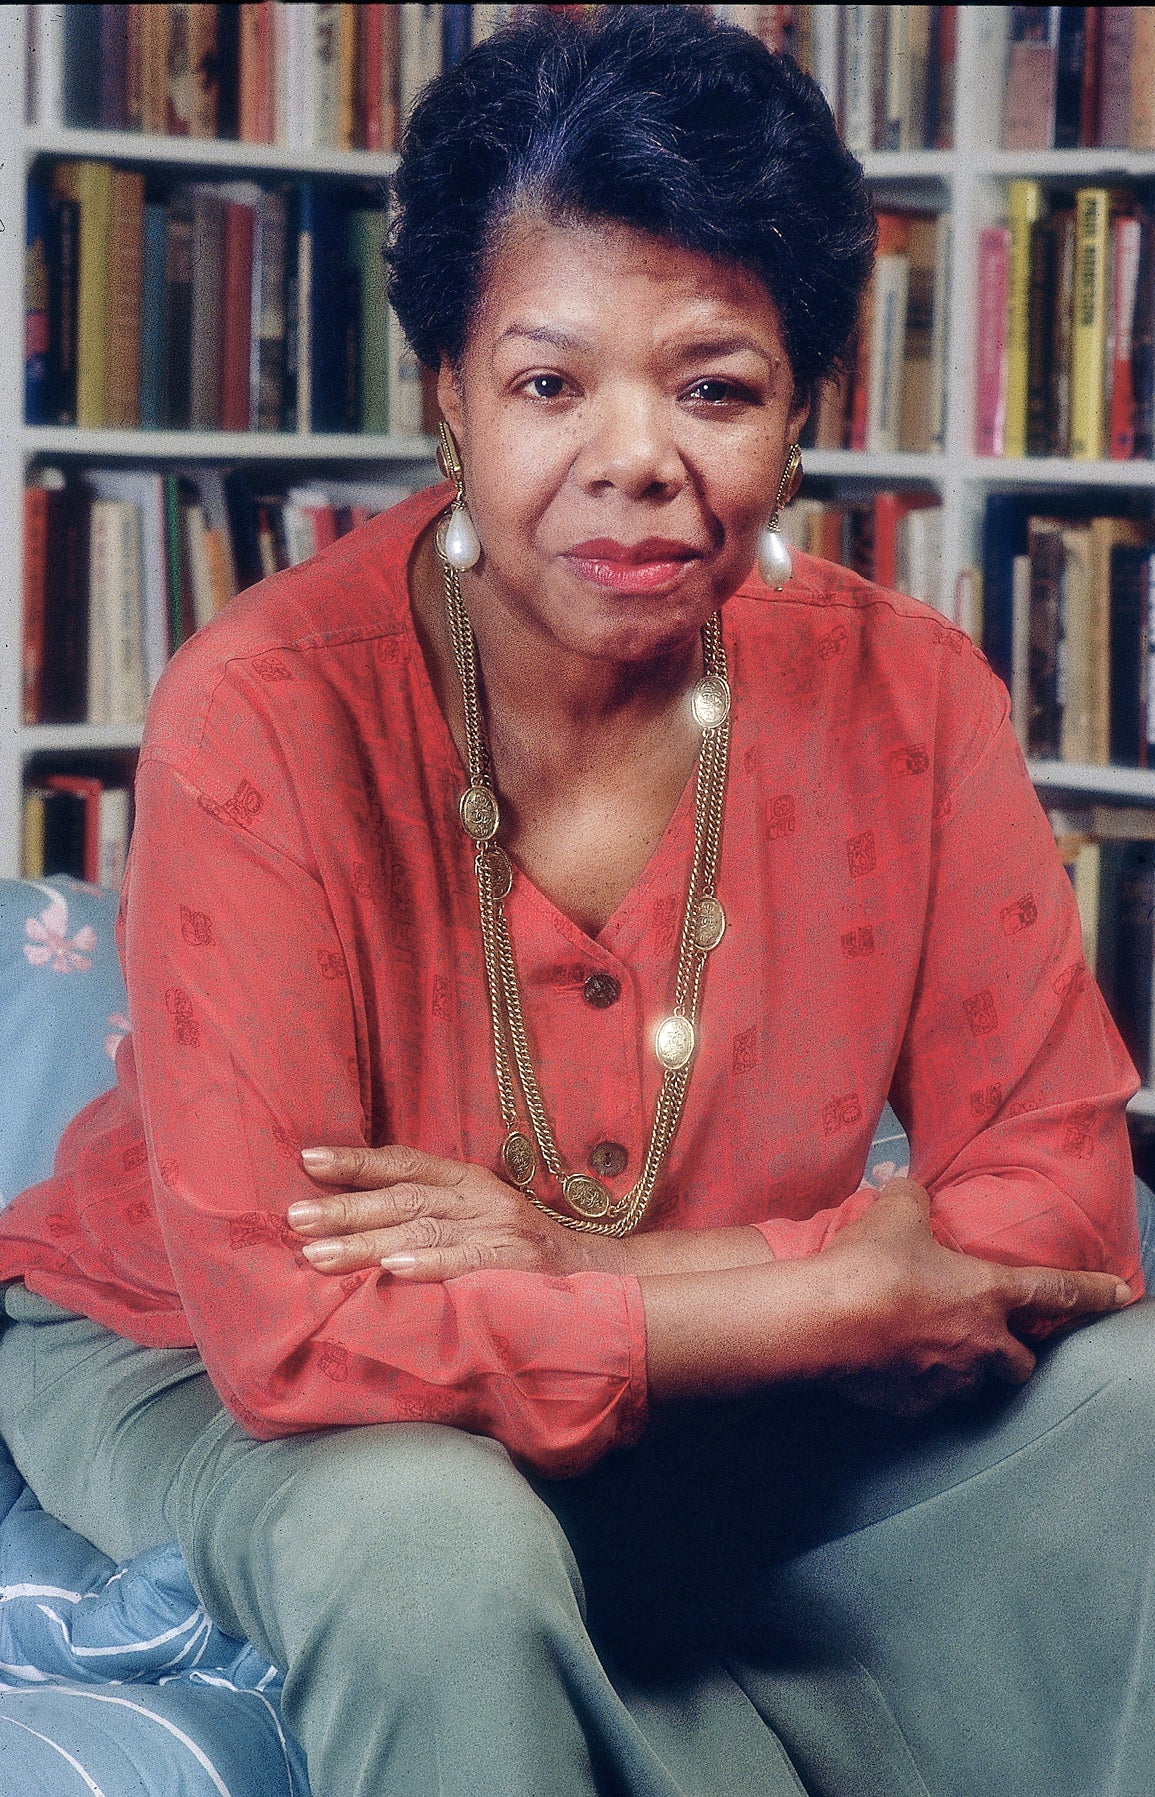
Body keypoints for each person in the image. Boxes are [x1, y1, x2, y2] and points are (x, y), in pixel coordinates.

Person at [0, 8, 1152, 1793]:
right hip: (194, 1356)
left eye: (715, 387)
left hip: (688, 1370)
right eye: (551, 385)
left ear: (803, 417)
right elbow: (302, 1330)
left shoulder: (916, 696)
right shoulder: (264, 709)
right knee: (431, 1542)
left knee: (1137, 1399)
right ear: (447, 396)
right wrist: (829, 1293)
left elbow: (1062, 1206)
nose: (637, 458)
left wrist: (611, 1270)